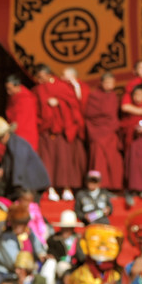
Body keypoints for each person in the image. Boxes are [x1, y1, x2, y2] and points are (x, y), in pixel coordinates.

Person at [35, 65, 82, 200]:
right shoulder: (39, 89)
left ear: (48, 75)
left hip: (61, 130)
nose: (39, 80)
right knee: (48, 161)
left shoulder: (61, 86)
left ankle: (66, 188)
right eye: (38, 78)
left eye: (41, 77)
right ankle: (50, 189)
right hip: (46, 131)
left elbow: (73, 103)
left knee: (64, 161)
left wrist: (59, 102)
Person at [0, 117, 50, 199]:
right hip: (27, 182)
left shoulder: (17, 144)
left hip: (32, 183)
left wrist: (16, 187)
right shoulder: (11, 144)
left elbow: (19, 165)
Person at [84, 73, 124, 192]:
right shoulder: (94, 96)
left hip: (111, 134)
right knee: (99, 160)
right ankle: (99, 187)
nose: (109, 85)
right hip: (98, 133)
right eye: (106, 83)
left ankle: (114, 187)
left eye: (111, 83)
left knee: (114, 160)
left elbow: (114, 115)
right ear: (101, 83)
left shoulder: (113, 96)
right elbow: (90, 115)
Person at [4, 74, 39, 150]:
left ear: (17, 86)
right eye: (6, 89)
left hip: (25, 136)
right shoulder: (12, 98)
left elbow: (20, 122)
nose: (8, 92)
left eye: (10, 89)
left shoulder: (26, 99)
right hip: (15, 135)